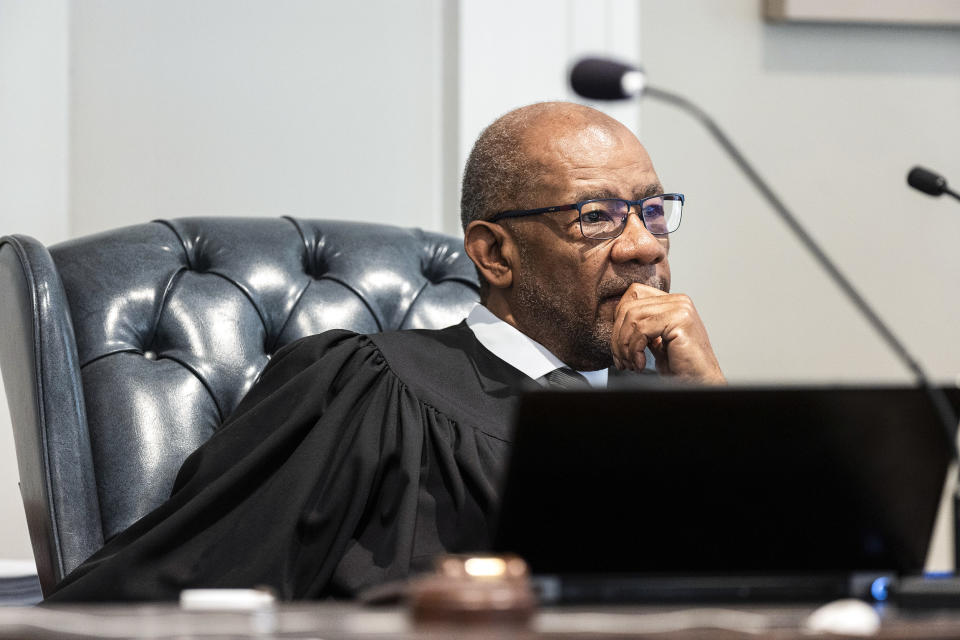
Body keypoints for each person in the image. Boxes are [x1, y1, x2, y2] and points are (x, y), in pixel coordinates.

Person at [46, 101, 723, 602]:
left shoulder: (667, 413)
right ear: (494, 253)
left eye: (653, 210)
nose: (644, 245)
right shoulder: (368, 387)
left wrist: (710, 410)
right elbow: (163, 591)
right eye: (596, 216)